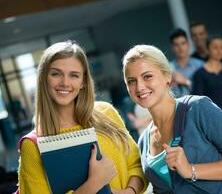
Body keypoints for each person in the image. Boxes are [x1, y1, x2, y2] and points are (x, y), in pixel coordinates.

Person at [122, 44, 222, 193]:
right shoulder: (144, 142)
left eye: (147, 76)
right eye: (131, 81)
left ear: (167, 76)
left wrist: (190, 170)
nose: (139, 87)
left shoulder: (198, 108)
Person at [17, 41, 147, 194]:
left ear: (83, 81)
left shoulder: (106, 113)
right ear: (44, 78)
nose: (65, 82)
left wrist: (130, 191)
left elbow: (136, 163)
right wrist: (95, 182)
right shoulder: (33, 146)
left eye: (74, 75)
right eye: (56, 74)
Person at [169, 28, 204, 98]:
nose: (180, 48)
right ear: (172, 47)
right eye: (176, 45)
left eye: (183, 43)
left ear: (188, 44)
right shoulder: (168, 69)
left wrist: (186, 82)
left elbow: (208, 91)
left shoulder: (201, 65)